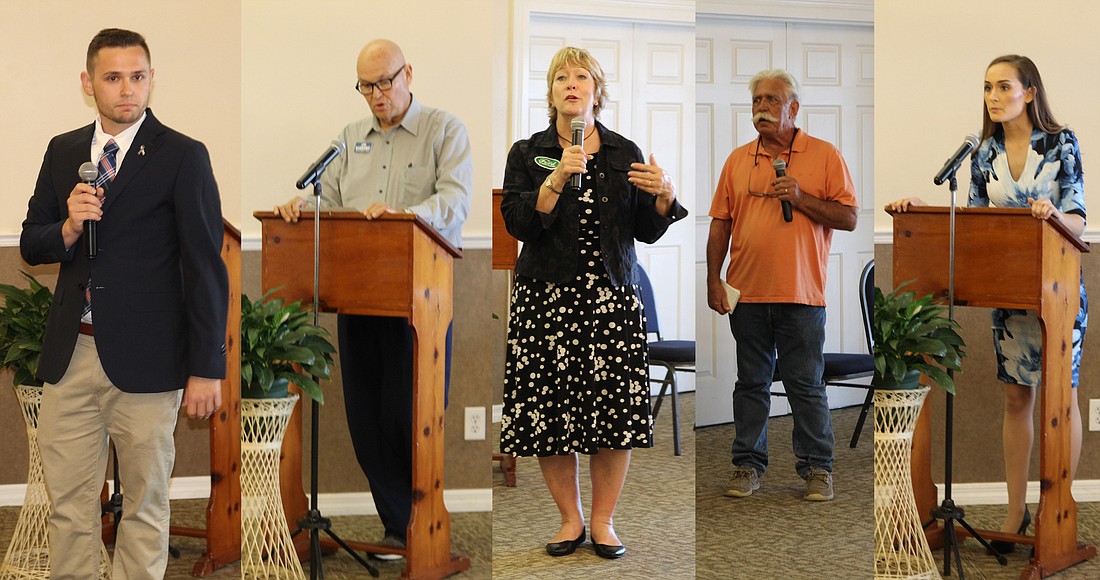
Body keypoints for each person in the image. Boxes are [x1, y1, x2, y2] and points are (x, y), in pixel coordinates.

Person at [19, 28, 228, 579]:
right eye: (113, 78)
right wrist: (67, 224)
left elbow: (206, 267)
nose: (127, 89)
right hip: (73, 356)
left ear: (152, 79)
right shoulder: (64, 151)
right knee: (68, 507)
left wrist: (207, 368)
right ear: (89, 84)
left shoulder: (183, 155)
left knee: (144, 506)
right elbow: (31, 242)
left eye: (138, 77)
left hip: (150, 360)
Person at [275, 38, 471, 557]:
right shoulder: (347, 137)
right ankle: (395, 526)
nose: (377, 95)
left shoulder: (444, 130)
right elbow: (332, 200)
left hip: (418, 302)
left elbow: (455, 200)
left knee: (405, 417)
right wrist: (302, 206)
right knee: (364, 420)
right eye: (366, 86)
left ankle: (422, 524)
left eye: (385, 82)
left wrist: (406, 217)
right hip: (357, 296)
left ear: (409, 72)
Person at [888, 54, 1085, 553]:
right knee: (1018, 399)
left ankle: (1054, 510)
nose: (993, 97)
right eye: (987, 88)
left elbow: (1079, 220)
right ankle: (1016, 513)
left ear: (1030, 92)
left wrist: (1054, 215)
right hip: (1009, 293)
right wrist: (918, 209)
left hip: (1057, 292)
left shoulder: (1061, 142)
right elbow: (974, 224)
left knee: (1061, 399)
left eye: (1003, 87)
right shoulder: (981, 153)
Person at [499, 46, 687, 560]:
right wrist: (557, 176)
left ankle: (603, 521)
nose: (571, 84)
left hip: (611, 299)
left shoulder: (625, 152)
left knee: (613, 415)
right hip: (546, 299)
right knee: (550, 412)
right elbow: (517, 223)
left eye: (581, 76)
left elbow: (644, 229)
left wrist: (665, 200)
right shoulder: (527, 151)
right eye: (561, 77)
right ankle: (569, 519)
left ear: (597, 93)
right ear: (552, 93)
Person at [706, 69, 858, 502]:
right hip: (747, 295)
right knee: (750, 384)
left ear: (794, 108)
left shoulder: (824, 156)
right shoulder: (738, 160)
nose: (762, 108)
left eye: (772, 101)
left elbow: (847, 218)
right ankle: (747, 465)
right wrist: (712, 279)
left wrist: (801, 198)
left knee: (805, 385)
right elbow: (720, 224)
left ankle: (817, 469)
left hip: (801, 295)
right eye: (756, 101)